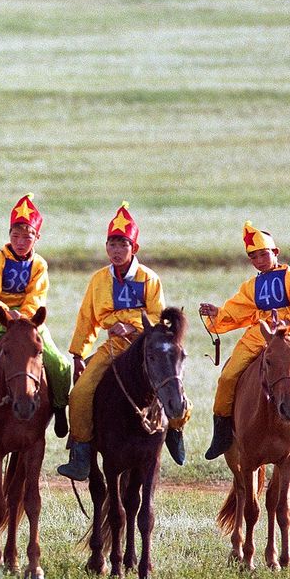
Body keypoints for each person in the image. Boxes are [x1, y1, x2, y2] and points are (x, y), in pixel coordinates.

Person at [57, 202, 187, 481]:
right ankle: (80, 452)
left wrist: (129, 324)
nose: (116, 251)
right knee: (80, 393)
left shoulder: (149, 279)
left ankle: (175, 431)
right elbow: (87, 317)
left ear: (134, 248)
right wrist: (79, 354)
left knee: (173, 385)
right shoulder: (98, 280)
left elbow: (157, 315)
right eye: (112, 245)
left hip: (144, 348)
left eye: (122, 245)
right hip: (113, 348)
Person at [0, 195, 71, 450]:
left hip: (28, 323)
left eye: (27, 237)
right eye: (15, 236)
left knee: (60, 364)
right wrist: (6, 312)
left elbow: (37, 296)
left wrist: (24, 317)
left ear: (36, 238)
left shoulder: (39, 265)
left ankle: (60, 408)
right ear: (9, 236)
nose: (20, 242)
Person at [200, 221, 290, 466]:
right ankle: (221, 432)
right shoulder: (251, 286)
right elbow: (238, 310)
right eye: (254, 257)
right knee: (228, 377)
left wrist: (286, 323)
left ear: (276, 253)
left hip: (288, 337)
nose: (260, 260)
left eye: (264, 254)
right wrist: (217, 314)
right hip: (257, 335)